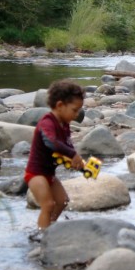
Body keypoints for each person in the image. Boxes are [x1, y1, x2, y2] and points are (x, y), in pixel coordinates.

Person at [24, 80, 85, 232]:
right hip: (36, 173)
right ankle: (41, 234)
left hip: (49, 174)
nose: (76, 115)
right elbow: (51, 143)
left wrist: (75, 162)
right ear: (59, 105)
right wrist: (72, 154)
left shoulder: (64, 125)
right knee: (48, 204)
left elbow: (67, 146)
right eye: (74, 110)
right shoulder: (47, 123)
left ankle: (49, 225)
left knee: (62, 201)